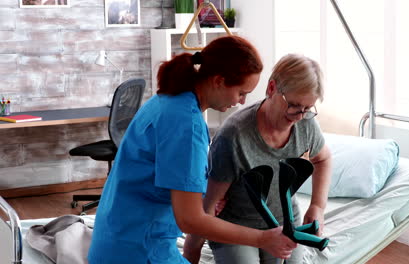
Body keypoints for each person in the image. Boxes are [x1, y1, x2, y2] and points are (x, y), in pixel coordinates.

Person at [87, 36, 297, 264]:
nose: (243, 102)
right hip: (139, 251)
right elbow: (189, 220)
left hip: (113, 240)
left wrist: (203, 195)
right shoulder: (187, 124)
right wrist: (262, 238)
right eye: (241, 93)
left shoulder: (167, 99)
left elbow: (164, 173)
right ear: (218, 80)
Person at [184, 54, 332, 264]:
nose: (299, 116)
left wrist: (318, 206)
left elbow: (323, 159)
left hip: (285, 223)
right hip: (237, 228)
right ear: (272, 88)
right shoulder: (233, 136)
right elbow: (209, 206)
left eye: (307, 109)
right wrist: (190, 255)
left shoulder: (306, 124)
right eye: (294, 105)